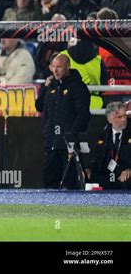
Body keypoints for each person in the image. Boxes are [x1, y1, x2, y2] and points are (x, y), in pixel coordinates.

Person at [35, 54, 91, 189]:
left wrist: (72, 133)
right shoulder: (51, 85)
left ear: (68, 67)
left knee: (69, 183)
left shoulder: (78, 86)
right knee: (49, 181)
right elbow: (39, 106)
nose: (55, 70)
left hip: (68, 144)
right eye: (53, 67)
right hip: (51, 141)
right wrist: (44, 87)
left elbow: (83, 114)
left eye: (59, 67)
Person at [91, 102, 131, 190]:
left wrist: (129, 170)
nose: (124, 119)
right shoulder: (103, 133)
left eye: (125, 116)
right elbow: (96, 158)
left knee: (125, 181)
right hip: (107, 172)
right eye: (119, 117)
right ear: (110, 120)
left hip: (126, 172)